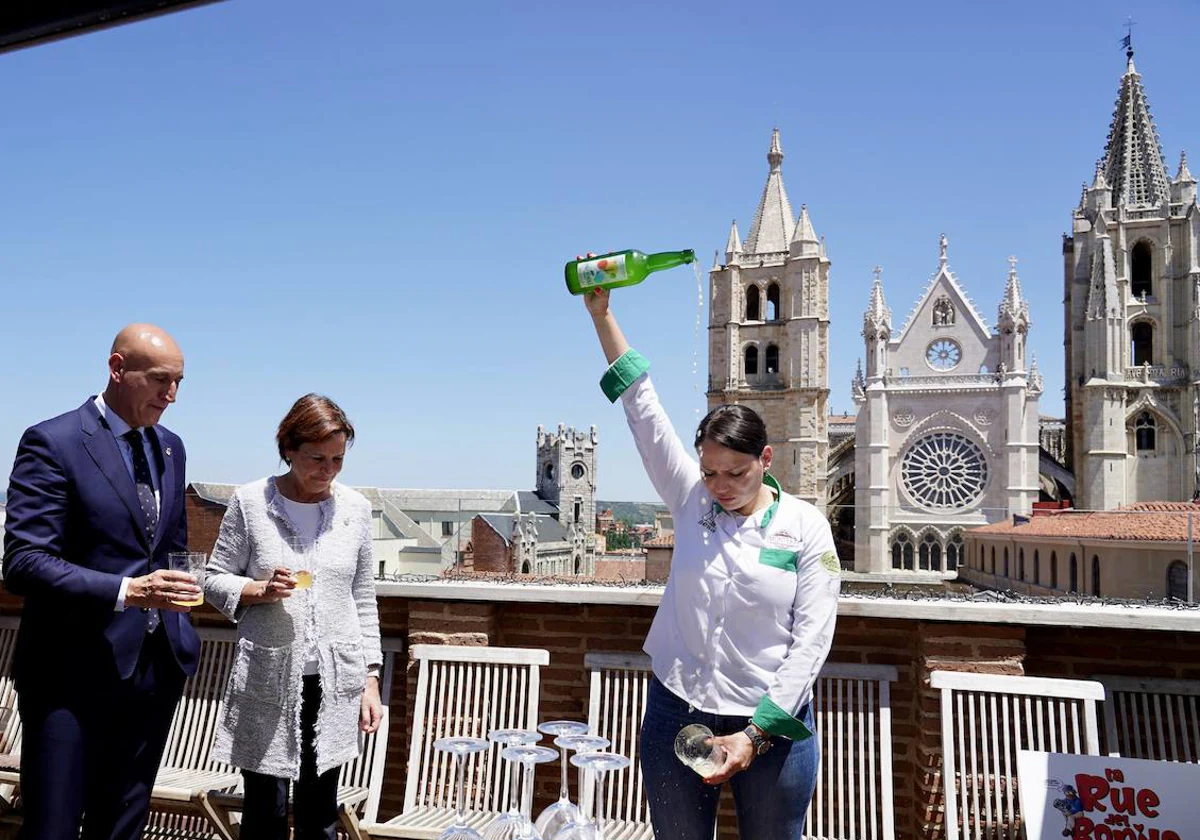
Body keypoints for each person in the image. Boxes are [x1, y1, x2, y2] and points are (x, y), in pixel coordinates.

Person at [585, 285, 840, 840]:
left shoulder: (806, 528)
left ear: (765, 459)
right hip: (679, 708)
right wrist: (603, 316)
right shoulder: (691, 499)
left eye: (735, 473)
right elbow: (643, 409)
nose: (720, 486)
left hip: (771, 725)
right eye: (710, 472)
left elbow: (812, 642)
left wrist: (754, 735)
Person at [2, 323, 200, 840]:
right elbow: (23, 560)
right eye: (160, 380)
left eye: (179, 381)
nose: (171, 395)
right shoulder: (54, 440)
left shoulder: (172, 448)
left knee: (122, 831)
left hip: (154, 675)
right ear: (117, 368)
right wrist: (125, 592)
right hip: (70, 676)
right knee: (53, 829)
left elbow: (169, 547)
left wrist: (183, 592)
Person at [204, 393, 383, 840]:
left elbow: (362, 597)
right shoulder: (250, 502)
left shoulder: (356, 511)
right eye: (317, 458)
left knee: (320, 813)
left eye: (338, 459)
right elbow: (213, 579)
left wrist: (371, 679)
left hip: (335, 680)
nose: (328, 470)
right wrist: (258, 591)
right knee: (265, 810)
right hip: (267, 677)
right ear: (288, 448)